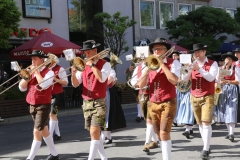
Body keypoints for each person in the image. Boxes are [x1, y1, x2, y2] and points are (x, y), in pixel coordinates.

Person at [138, 37, 181, 160]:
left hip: (168, 101)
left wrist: (162, 64)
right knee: (158, 133)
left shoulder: (174, 63)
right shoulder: (148, 64)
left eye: (160, 49)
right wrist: (147, 68)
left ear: (166, 51)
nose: (156, 52)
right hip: (153, 102)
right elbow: (141, 86)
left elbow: (174, 80)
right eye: (155, 49)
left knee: (164, 132)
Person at [71, 40, 111, 160]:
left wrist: (92, 65)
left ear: (95, 51)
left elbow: (102, 79)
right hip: (86, 102)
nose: (86, 55)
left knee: (94, 131)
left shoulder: (105, 64)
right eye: (85, 53)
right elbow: (75, 84)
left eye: (88, 52)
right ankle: (104, 158)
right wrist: (73, 73)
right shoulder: (82, 66)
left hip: (99, 101)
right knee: (93, 133)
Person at [19, 50, 59, 160]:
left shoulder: (49, 72)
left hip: (43, 105)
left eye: (35, 59)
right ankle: (55, 154)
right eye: (32, 59)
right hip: (32, 104)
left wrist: (36, 72)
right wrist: (26, 77)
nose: (32, 61)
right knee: (44, 130)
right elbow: (21, 88)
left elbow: (44, 85)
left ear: (42, 59)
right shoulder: (29, 71)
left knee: (37, 131)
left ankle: (30, 158)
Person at [182, 43, 218, 160]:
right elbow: (184, 80)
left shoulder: (213, 63)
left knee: (206, 122)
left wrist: (199, 69)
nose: (197, 54)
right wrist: (186, 69)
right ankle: (206, 145)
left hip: (208, 96)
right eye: (195, 52)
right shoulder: (193, 64)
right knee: (200, 123)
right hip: (194, 96)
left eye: (199, 52)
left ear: (204, 52)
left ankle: (206, 149)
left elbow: (211, 78)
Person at [130, 46, 159, 153]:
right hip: (142, 94)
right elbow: (133, 81)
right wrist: (137, 84)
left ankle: (147, 143)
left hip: (152, 94)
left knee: (149, 120)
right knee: (147, 120)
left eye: (146, 55)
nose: (143, 58)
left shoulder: (155, 65)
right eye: (142, 56)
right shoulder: (139, 67)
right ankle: (154, 141)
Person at [101, 57, 126, 144]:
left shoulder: (111, 71)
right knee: (103, 116)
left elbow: (107, 82)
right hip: (99, 93)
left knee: (106, 115)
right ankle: (109, 137)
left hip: (107, 93)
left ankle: (102, 139)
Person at [216, 52, 240, 142]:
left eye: (230, 59)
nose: (228, 60)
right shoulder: (220, 69)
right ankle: (229, 132)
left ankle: (231, 133)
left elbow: (238, 81)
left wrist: (227, 81)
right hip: (222, 90)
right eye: (226, 59)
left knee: (231, 110)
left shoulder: (236, 68)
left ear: (232, 61)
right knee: (224, 110)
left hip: (232, 90)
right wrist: (220, 81)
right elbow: (216, 79)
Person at [174, 50, 195, 138]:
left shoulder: (192, 68)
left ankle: (187, 128)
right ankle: (189, 128)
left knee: (188, 108)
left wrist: (189, 70)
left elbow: (191, 79)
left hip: (189, 89)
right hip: (179, 89)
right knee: (180, 108)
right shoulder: (178, 68)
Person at [48, 56, 68, 141]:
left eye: (48, 60)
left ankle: (49, 135)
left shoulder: (60, 69)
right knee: (53, 115)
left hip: (57, 95)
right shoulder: (47, 69)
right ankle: (58, 134)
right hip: (48, 94)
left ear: (53, 61)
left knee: (52, 114)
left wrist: (55, 79)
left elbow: (66, 82)